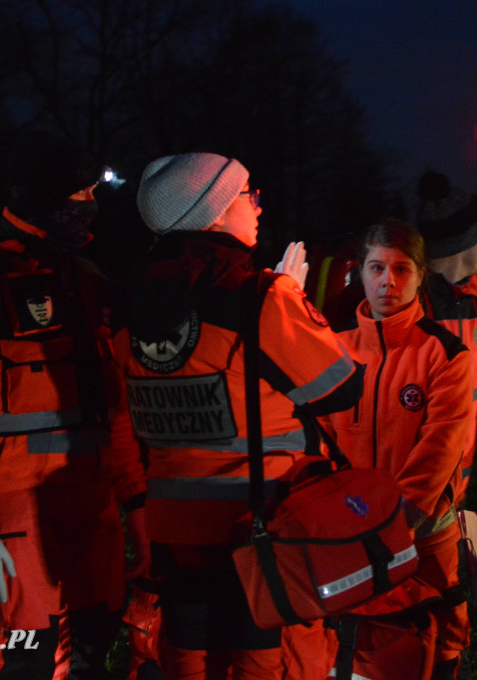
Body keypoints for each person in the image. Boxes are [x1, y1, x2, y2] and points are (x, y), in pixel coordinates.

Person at [114, 152, 363, 680]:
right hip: (256, 524)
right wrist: (292, 301)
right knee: (259, 662)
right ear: (216, 212)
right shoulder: (259, 297)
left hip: (172, 529)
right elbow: (342, 387)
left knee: (189, 659)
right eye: (249, 194)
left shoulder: (127, 303)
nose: (258, 205)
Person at [0, 131, 149, 679]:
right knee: (27, 656)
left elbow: (113, 406)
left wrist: (136, 503)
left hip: (93, 505)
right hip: (17, 503)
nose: (90, 205)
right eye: (78, 193)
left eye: (92, 192)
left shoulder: (86, 278)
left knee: (94, 644)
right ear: (42, 194)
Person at [321, 218, 473, 680]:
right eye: (377, 268)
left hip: (423, 537)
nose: (388, 281)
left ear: (421, 275)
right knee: (355, 646)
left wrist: (397, 522)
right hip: (349, 533)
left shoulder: (445, 353)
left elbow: (440, 447)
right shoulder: (334, 351)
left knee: (439, 642)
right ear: (360, 273)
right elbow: (320, 439)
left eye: (402, 269)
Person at [415, 170, 477, 503]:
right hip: (415, 486)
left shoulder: (476, 300)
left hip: (457, 484)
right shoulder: (412, 305)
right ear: (463, 245)